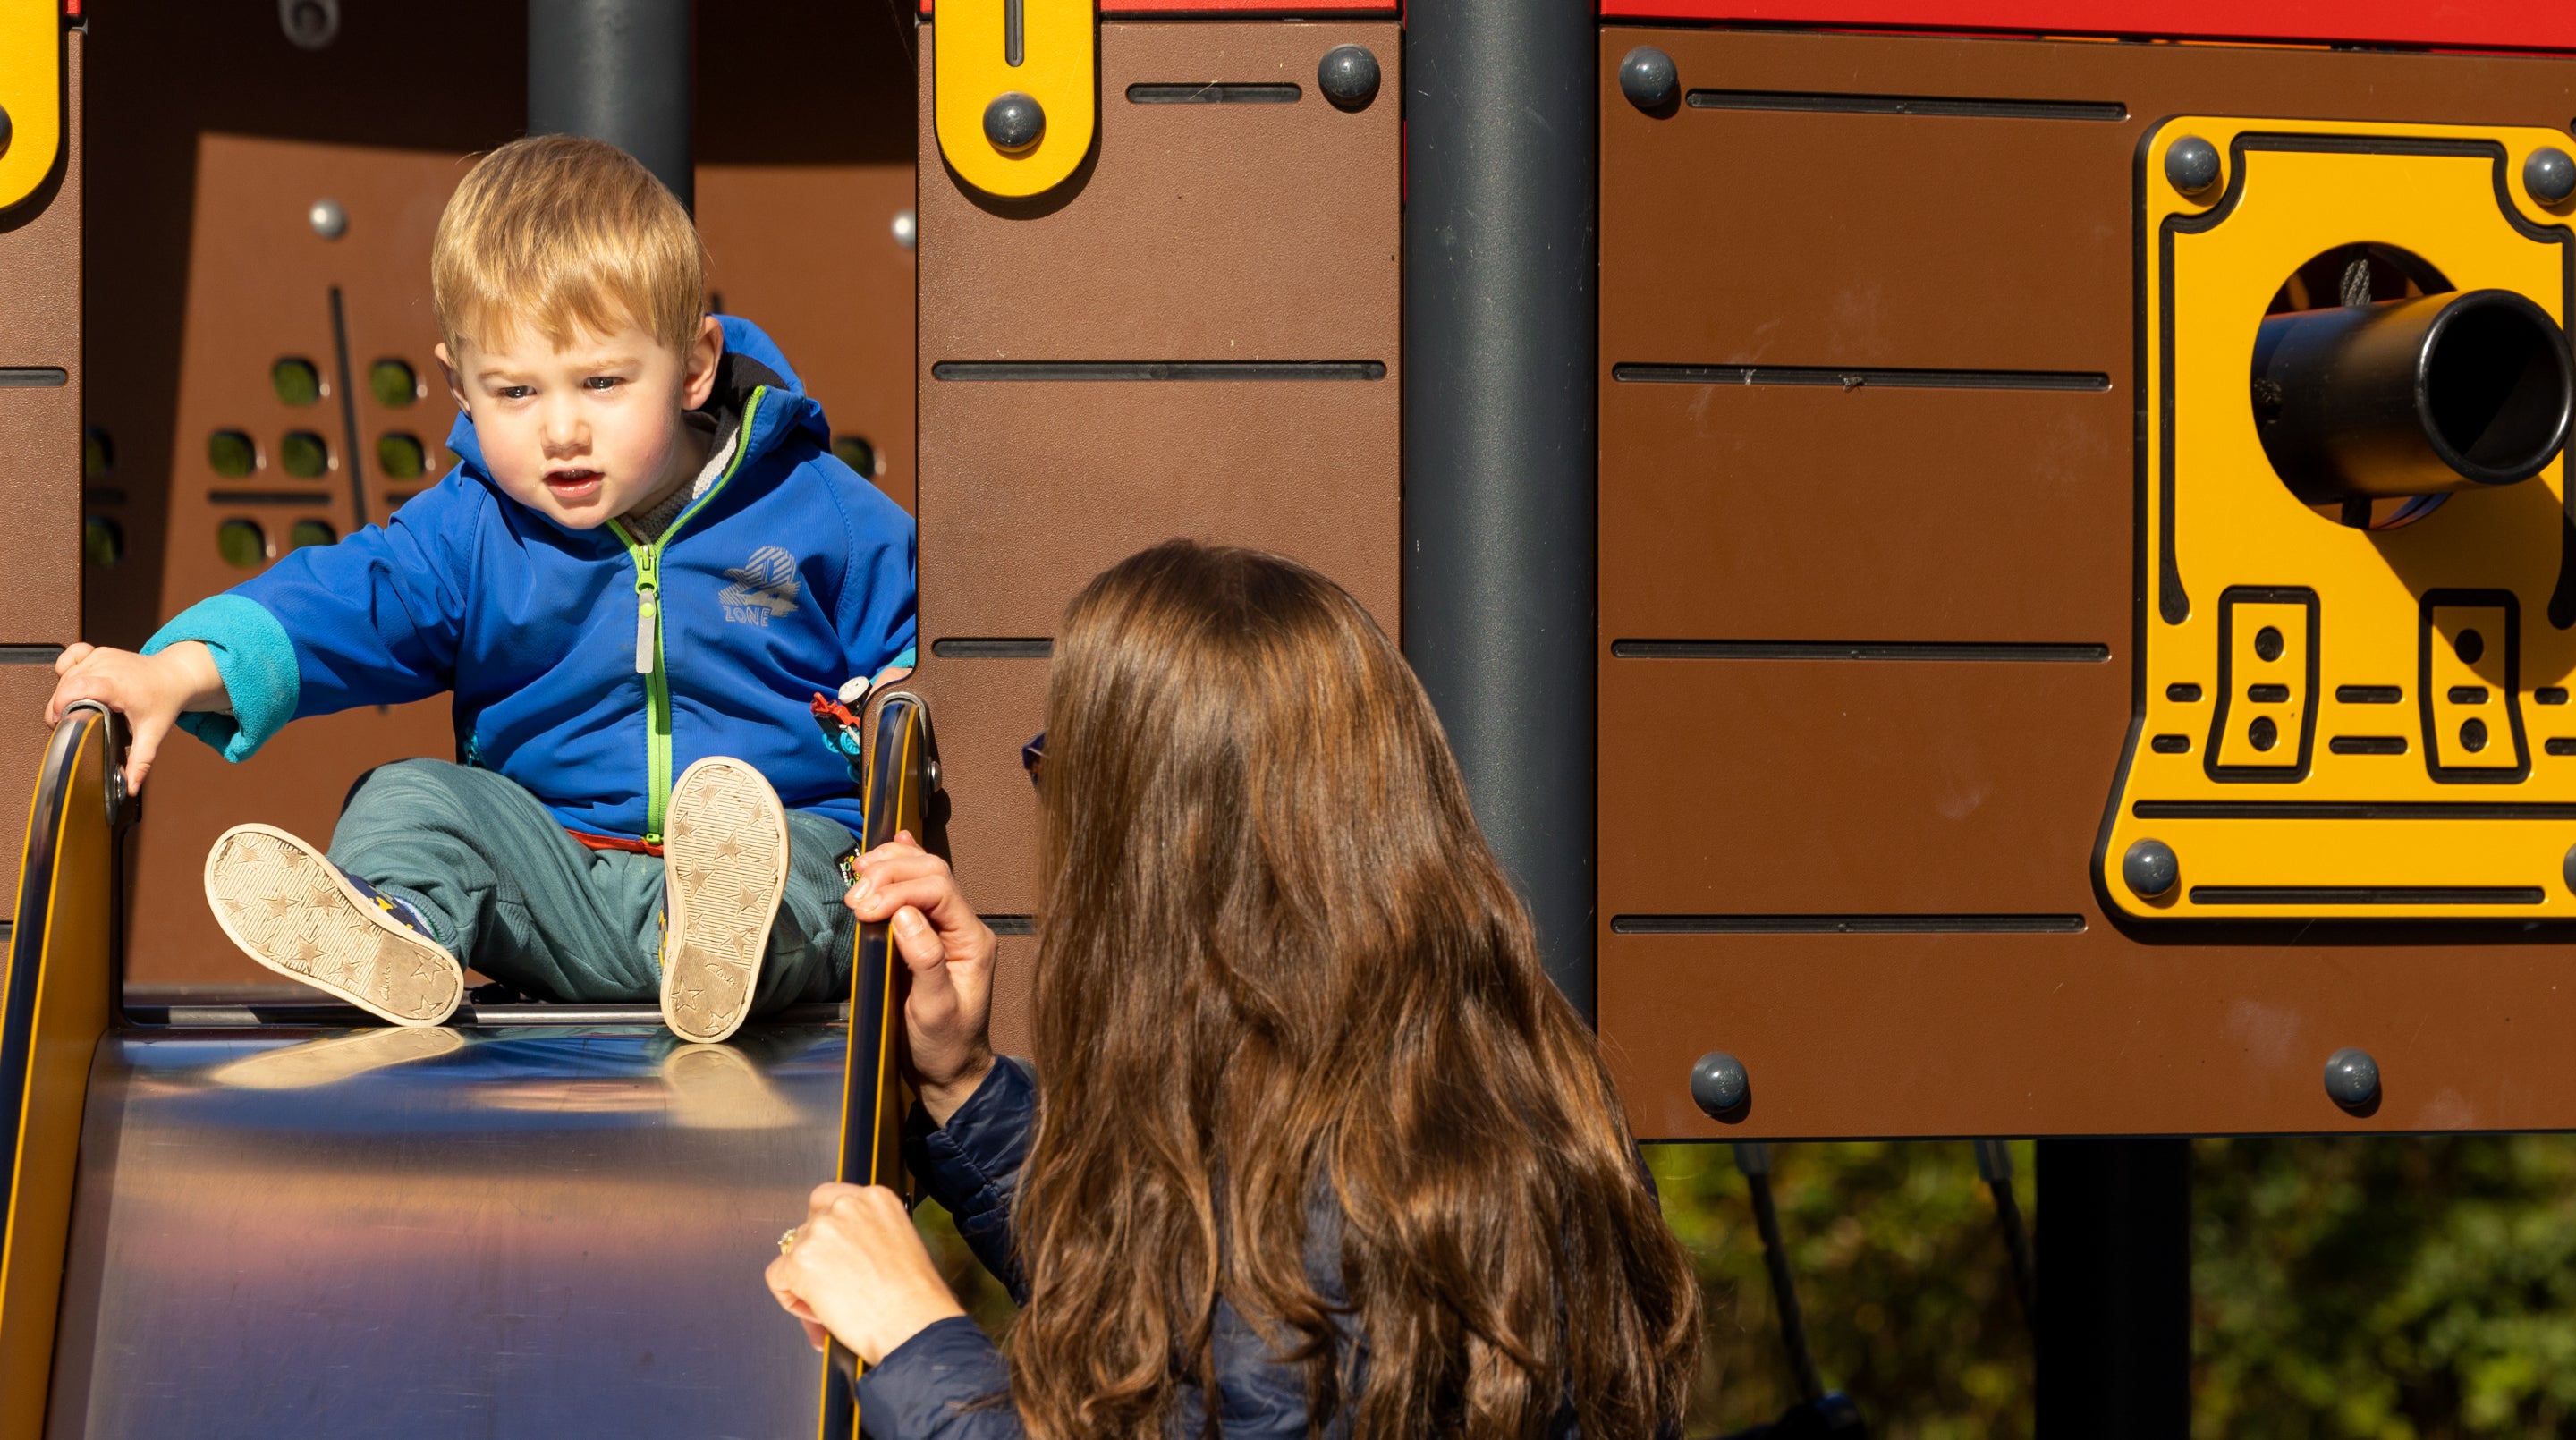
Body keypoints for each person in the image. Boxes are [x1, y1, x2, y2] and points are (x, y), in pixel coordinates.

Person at [774, 541, 1700, 1438]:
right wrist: (961, 1084)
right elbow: (1197, 1320)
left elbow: (1245, 1347)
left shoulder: (1338, 1223)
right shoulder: (1454, 1092)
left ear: (1167, 850)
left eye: (1064, 774)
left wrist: (914, 1335)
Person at [43, 136, 917, 1044]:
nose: (562, 429)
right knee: (406, 797)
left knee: (823, 865)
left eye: (604, 381)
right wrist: (176, 672)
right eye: (515, 392)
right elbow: (347, 602)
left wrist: (894, 706)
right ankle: (400, 934)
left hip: (769, 858)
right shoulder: (474, 529)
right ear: (460, 386)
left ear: (696, 366)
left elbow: (925, 648)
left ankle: (719, 951)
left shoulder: (818, 512)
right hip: (556, 876)